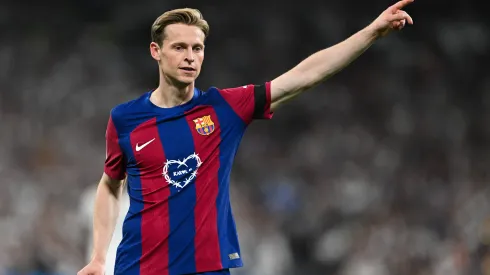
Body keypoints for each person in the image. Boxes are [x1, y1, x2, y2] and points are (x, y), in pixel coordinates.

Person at [77, 2, 414, 275]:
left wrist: (371, 32)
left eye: (197, 48)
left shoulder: (223, 108)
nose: (190, 57)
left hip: (206, 269)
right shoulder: (125, 119)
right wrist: (98, 256)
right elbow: (110, 184)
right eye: (179, 47)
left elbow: (304, 77)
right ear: (156, 51)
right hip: (138, 268)